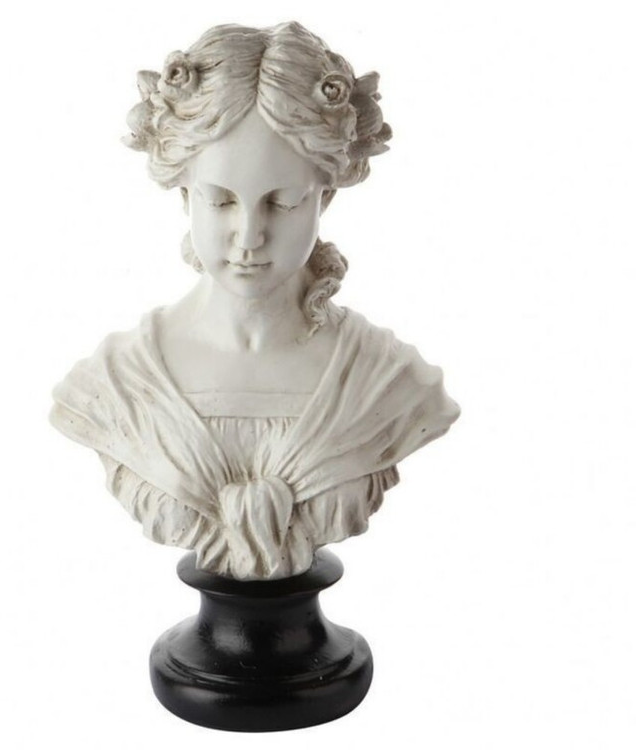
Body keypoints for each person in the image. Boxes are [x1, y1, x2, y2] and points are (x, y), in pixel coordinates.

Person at [50, 22, 460, 580]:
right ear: (184, 193)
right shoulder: (117, 385)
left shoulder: (386, 383)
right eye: (220, 201)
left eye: (283, 203)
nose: (249, 236)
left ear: (325, 196)